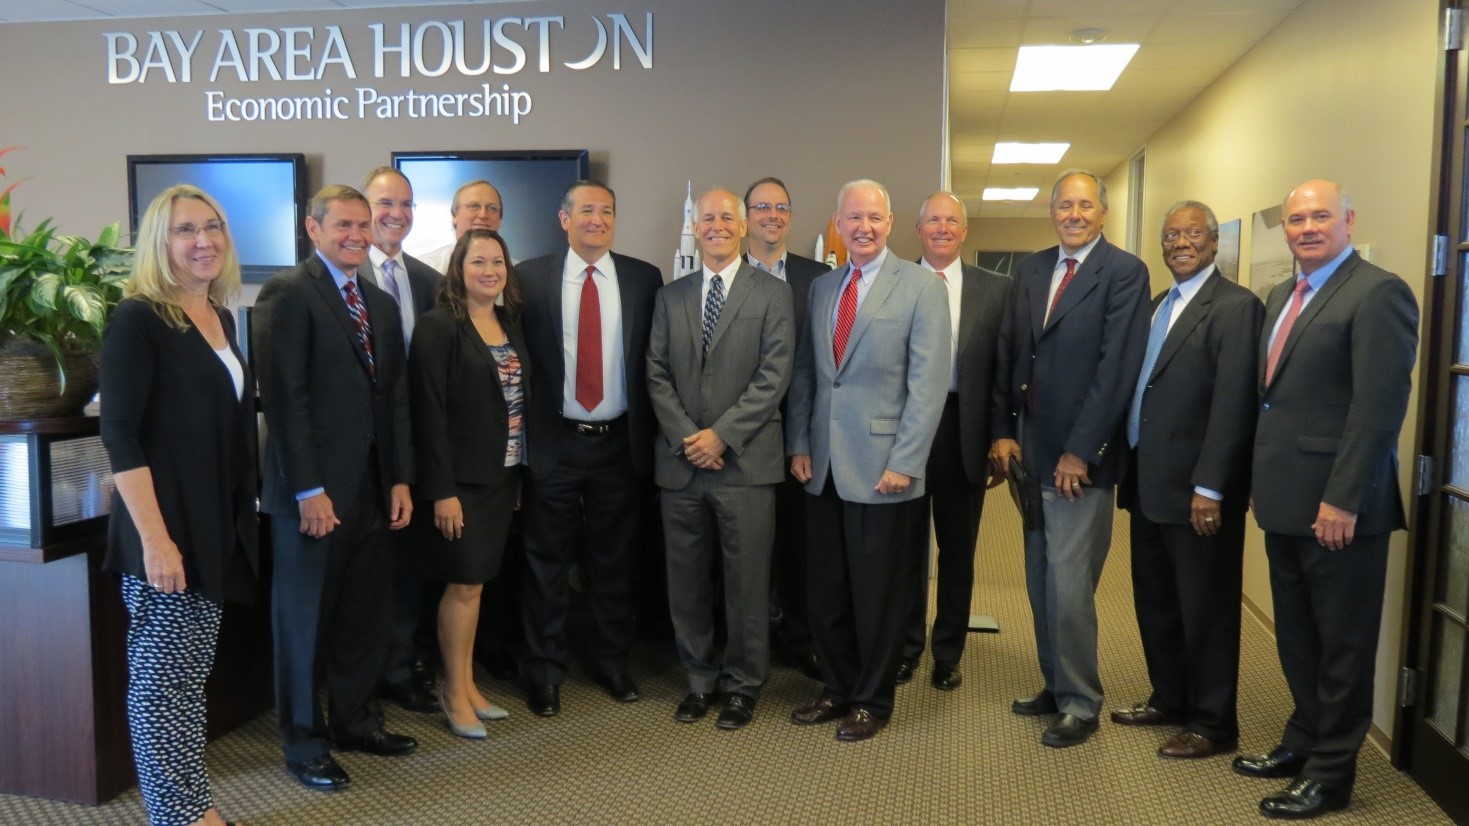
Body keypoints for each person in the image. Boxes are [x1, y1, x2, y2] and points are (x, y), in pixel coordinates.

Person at [1234, 180, 1418, 819]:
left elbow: (1378, 408)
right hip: (1286, 502)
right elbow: (1276, 401)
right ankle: (1305, 740)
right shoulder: (1284, 293)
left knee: (1341, 646)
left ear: (1348, 219)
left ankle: (1333, 775)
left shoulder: (1378, 293)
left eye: (1320, 216)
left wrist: (1344, 499)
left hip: (1340, 511)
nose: (1307, 227)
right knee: (1299, 638)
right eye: (1296, 219)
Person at [100, 184, 257, 826]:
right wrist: (157, 542)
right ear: (159, 243)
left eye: (212, 227)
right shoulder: (140, 317)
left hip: (209, 526)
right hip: (163, 532)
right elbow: (120, 433)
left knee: (187, 682)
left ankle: (190, 808)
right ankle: (180, 816)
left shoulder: (217, 313)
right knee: (164, 688)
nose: (204, 241)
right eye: (185, 230)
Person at [254, 185, 417, 791]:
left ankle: (355, 720)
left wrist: (400, 477)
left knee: (362, 615)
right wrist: (307, 490)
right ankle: (303, 741)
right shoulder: (288, 294)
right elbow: (285, 399)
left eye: (363, 224)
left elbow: (392, 398)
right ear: (312, 228)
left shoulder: (376, 300)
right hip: (313, 495)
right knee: (303, 619)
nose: (356, 234)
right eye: (342, 224)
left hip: (374, 487)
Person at [990, 169, 1150, 748]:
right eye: (1064, 205)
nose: (1074, 214)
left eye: (1085, 205)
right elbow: (1012, 350)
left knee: (1069, 581)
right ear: (1052, 212)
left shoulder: (1125, 273)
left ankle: (1082, 701)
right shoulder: (1032, 269)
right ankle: (1056, 685)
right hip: (1029, 453)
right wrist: (1002, 430)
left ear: (1102, 213)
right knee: (1038, 576)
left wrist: (1080, 452)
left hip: (1081, 462)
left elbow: (1117, 370)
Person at [786, 179, 950, 742]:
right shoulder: (824, 286)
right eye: (853, 218)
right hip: (824, 466)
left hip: (885, 467)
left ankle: (872, 700)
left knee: (878, 594)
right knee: (826, 589)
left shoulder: (921, 287)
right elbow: (809, 373)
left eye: (874, 218)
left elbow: (928, 388)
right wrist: (800, 444)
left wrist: (905, 460)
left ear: (890, 221)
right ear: (837, 221)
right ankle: (836, 687)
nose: (863, 228)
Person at [1113, 200, 1262, 759]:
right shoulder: (1158, 306)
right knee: (1158, 602)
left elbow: (1233, 404)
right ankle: (1169, 697)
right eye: (1171, 234)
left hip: (1198, 493)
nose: (1180, 242)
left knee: (1206, 609)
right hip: (1149, 485)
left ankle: (1213, 721)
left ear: (1215, 242)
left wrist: (1212, 486)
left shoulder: (1235, 307)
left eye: (1192, 234)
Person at [647, 188, 794, 730]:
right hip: (681, 465)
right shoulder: (671, 295)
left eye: (725, 218)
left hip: (746, 465)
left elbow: (773, 376)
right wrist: (690, 437)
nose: (715, 226)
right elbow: (655, 373)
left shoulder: (772, 294)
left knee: (747, 582)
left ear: (742, 227)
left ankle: (742, 685)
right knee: (686, 582)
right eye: (705, 218)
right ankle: (699, 679)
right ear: (696, 226)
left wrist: (721, 437)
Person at [516, 180, 662, 716]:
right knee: (545, 564)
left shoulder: (645, 279)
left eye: (606, 211)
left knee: (614, 561)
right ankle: (545, 671)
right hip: (555, 442)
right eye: (586, 211)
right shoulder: (528, 278)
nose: (596, 220)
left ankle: (612, 663)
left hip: (619, 443)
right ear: (564, 219)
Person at [409, 228, 529, 739]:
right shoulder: (440, 327)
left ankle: (468, 682)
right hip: (460, 484)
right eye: (478, 262)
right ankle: (452, 691)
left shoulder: (507, 321)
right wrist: (441, 491)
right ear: (458, 268)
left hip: (503, 476)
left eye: (497, 262)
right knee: (461, 585)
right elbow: (427, 414)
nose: (489, 271)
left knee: (477, 586)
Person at [898, 192, 1011, 691]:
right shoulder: (895, 282)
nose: (942, 228)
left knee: (957, 550)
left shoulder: (997, 290)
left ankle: (948, 652)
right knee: (903, 549)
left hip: (964, 431)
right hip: (905, 433)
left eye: (952, 221)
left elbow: (1005, 370)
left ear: (964, 232)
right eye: (933, 221)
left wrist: (999, 434)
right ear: (918, 231)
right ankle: (905, 648)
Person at [360, 166, 444, 717]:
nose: (398, 214)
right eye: (386, 203)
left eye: (407, 204)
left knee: (412, 562)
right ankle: (367, 674)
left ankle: (403, 666)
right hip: (363, 448)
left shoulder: (427, 279)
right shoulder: (336, 277)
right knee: (369, 567)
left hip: (417, 441)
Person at [743, 176, 829, 681]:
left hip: (799, 438)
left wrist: (801, 436)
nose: (771, 215)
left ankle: (799, 638)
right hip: (740, 439)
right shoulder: (725, 274)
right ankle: (749, 643)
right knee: (746, 548)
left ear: (790, 216)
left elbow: (817, 365)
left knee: (798, 546)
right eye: (761, 207)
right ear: (746, 215)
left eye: (781, 207)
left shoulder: (818, 279)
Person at [420, 180, 505, 275]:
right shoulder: (425, 269)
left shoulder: (517, 273)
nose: (483, 215)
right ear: (454, 215)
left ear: (500, 220)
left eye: (492, 208)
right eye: (474, 206)